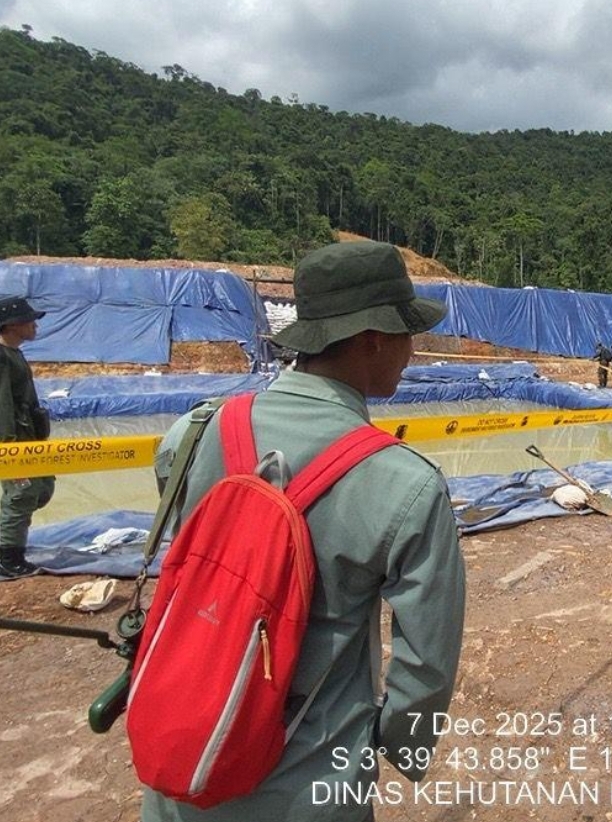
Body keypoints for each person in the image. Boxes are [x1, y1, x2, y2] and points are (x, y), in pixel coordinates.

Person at [143, 241, 466, 821]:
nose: (412, 352)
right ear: (374, 338)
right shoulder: (406, 484)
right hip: (311, 785)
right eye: (408, 334)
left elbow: (178, 515)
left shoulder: (196, 430)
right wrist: (398, 743)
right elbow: (427, 661)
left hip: (184, 763)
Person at [0, 295, 53, 579]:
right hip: (14, 441)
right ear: (11, 325)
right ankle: (9, 558)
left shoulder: (14, 354)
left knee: (42, 487)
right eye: (28, 320)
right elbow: (2, 405)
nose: (34, 325)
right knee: (22, 493)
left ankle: (8, 542)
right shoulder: (2, 358)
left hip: (29, 438)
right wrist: (9, 450)